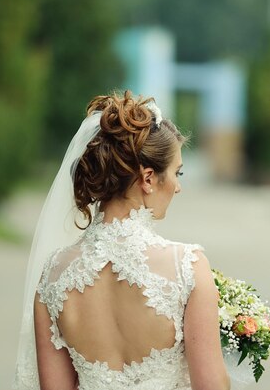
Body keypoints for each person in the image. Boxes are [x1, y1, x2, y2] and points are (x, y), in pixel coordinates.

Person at [13, 91, 230, 390]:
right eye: (176, 173)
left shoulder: (53, 276)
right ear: (149, 178)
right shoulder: (187, 268)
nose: (178, 187)